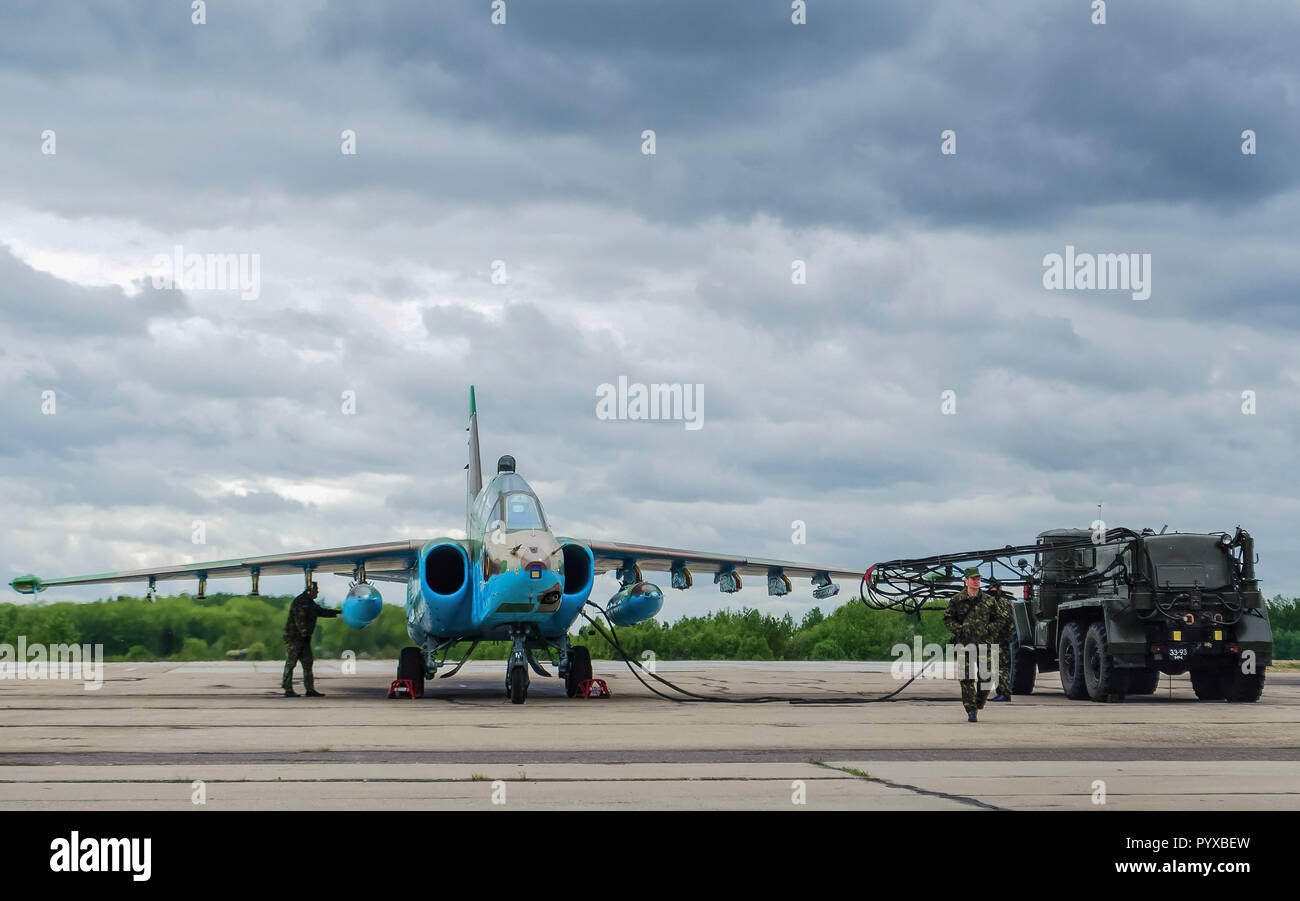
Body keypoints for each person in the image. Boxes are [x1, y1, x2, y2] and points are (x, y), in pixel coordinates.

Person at [942, 567, 1002, 722]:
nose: (976, 581)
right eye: (973, 578)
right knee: (966, 678)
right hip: (964, 644)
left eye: (978, 578)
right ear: (966, 580)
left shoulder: (989, 600)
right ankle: (971, 710)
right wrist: (960, 630)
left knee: (986, 677)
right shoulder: (957, 600)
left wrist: (988, 630)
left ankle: (979, 702)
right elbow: (948, 619)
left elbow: (1000, 620)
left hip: (985, 644)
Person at [282, 582, 340, 698]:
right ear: (310, 590)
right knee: (291, 663)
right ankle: (287, 689)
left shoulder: (309, 603)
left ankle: (310, 689)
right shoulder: (301, 602)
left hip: (304, 639)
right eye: (316, 590)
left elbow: (321, 611)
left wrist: (339, 613)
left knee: (308, 663)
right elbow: (300, 620)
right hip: (295, 639)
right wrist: (304, 634)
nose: (317, 592)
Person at [988, 578, 1015, 702]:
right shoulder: (1001, 601)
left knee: (1002, 667)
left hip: (1001, 638)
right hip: (998, 638)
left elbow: (1002, 620)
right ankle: (1001, 692)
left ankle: (1004, 693)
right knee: (998, 666)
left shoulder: (1002, 603)